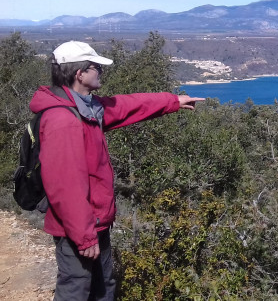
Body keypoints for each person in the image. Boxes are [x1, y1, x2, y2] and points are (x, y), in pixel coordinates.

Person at [29, 40, 204, 300]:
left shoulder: (85, 108)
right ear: (80, 74)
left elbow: (126, 105)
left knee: (103, 286)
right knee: (76, 288)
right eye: (96, 67)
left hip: (95, 222)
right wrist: (85, 237)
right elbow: (65, 187)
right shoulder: (63, 120)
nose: (101, 71)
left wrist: (172, 101)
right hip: (77, 227)